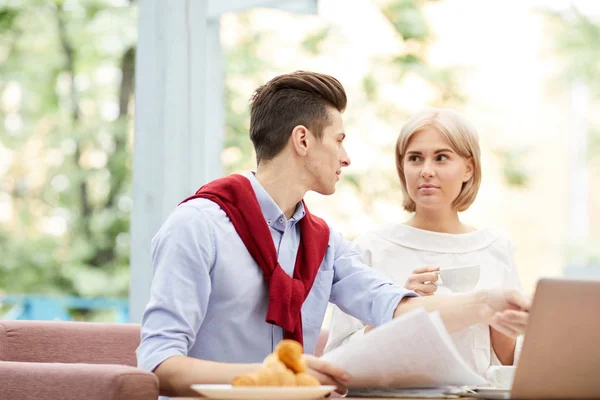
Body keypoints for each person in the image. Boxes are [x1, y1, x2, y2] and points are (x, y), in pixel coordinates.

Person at [136, 73, 530, 398]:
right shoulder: (197, 226)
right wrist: (273, 377)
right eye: (340, 140)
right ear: (303, 140)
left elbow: (394, 308)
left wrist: (486, 304)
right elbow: (159, 366)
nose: (347, 158)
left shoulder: (324, 244)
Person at [325, 108, 526, 377]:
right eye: (415, 158)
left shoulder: (495, 247)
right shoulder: (370, 248)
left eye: (441, 158)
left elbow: (513, 366)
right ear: (402, 167)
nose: (426, 171)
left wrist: (497, 322)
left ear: (468, 168)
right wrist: (399, 309)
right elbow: (336, 361)